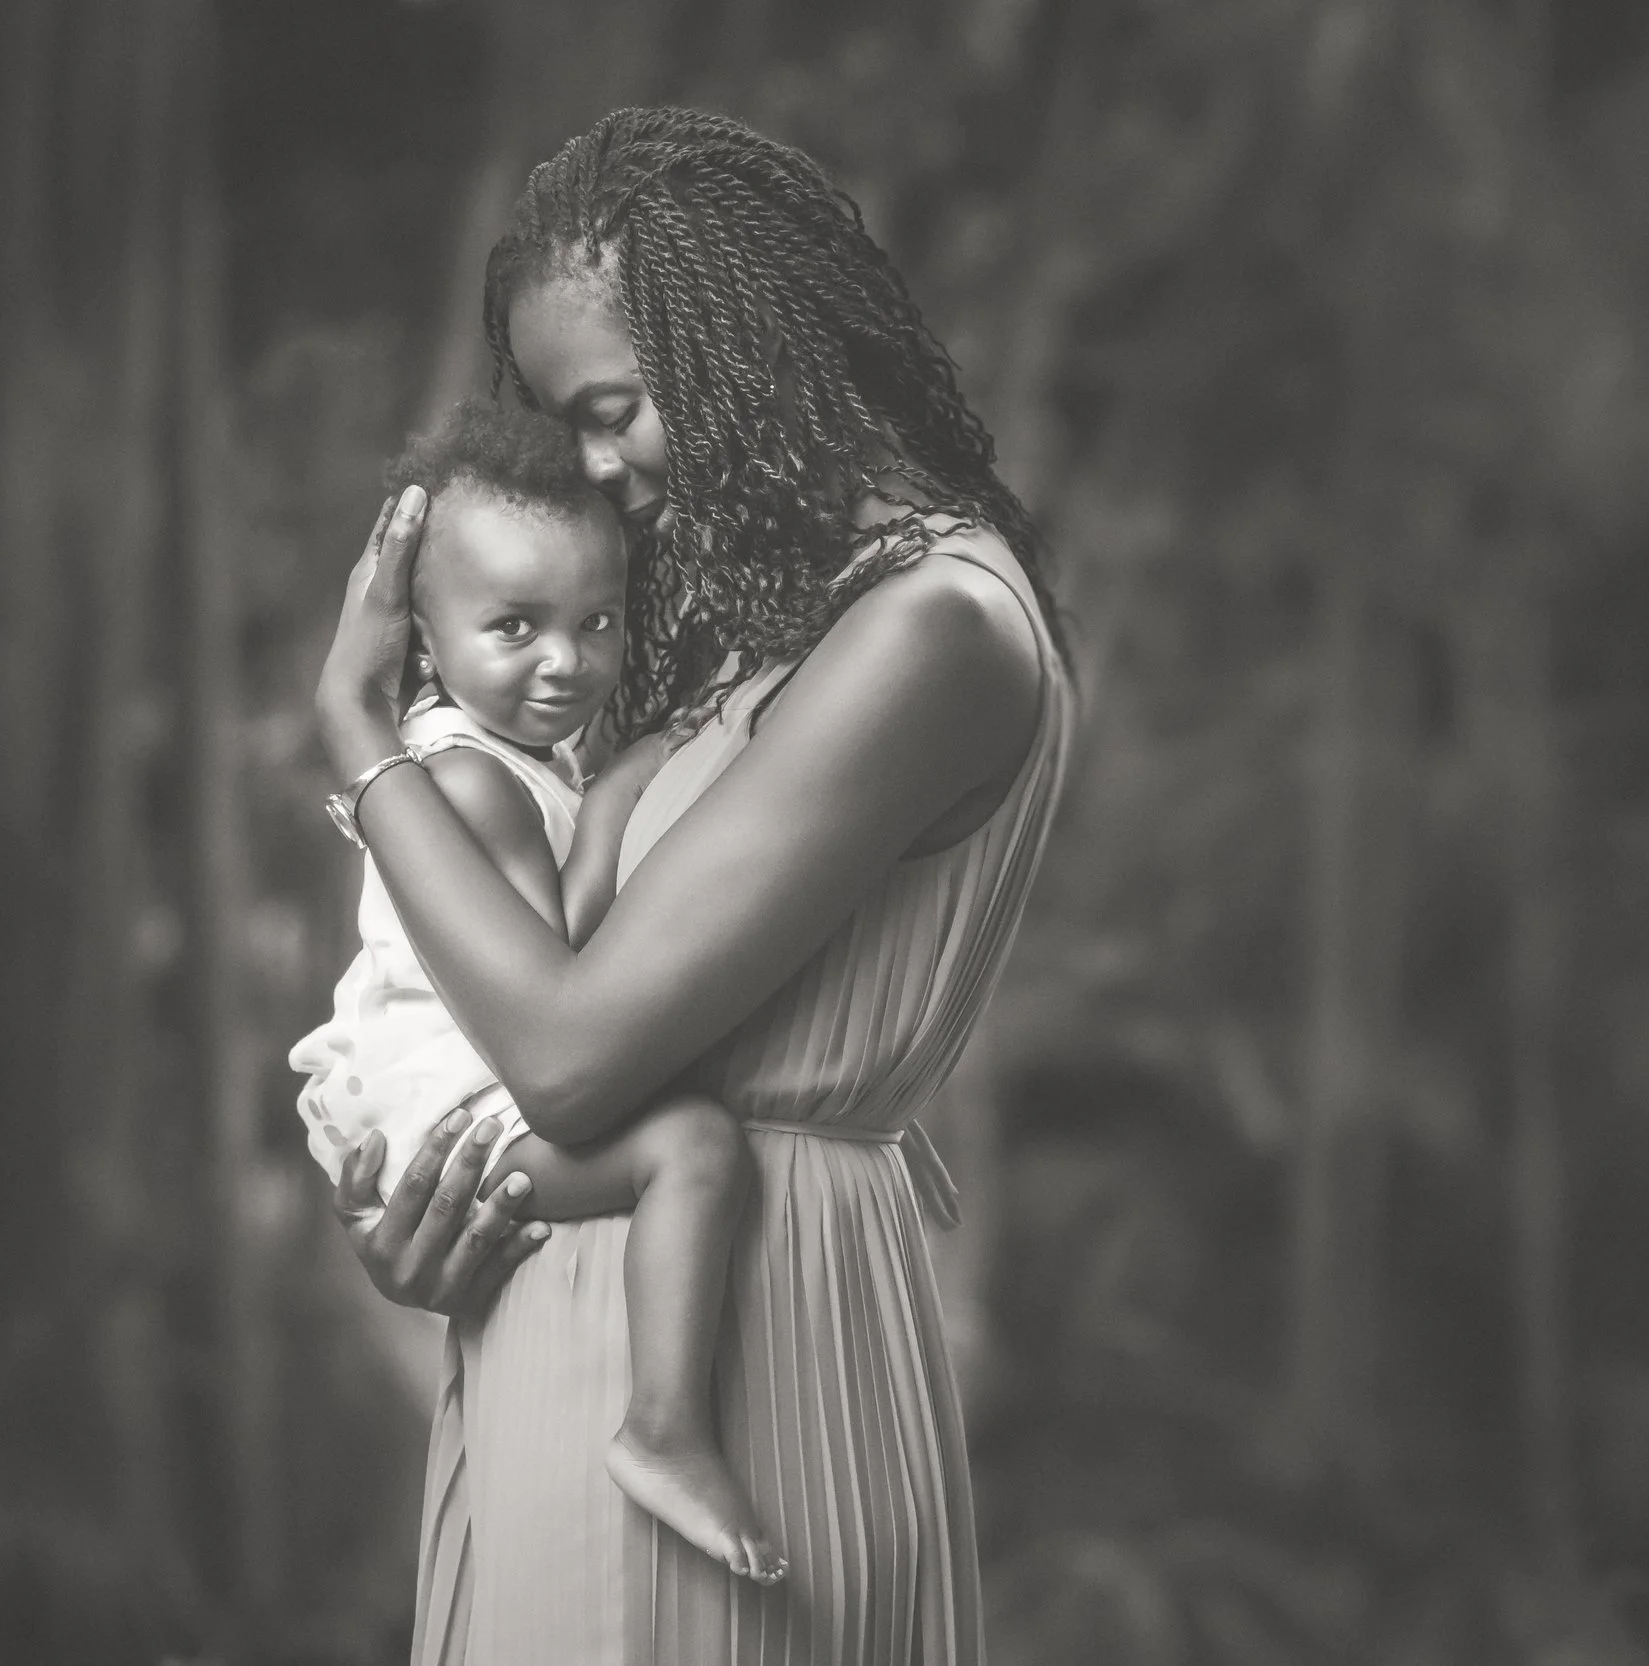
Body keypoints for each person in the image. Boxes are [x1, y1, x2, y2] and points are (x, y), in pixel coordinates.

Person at [313, 107, 1071, 1665]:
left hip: (739, 1347)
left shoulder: (932, 629)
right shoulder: (748, 636)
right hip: (576, 1309)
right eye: (557, 423)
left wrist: (354, 739)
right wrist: (437, 1196)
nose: (592, 469)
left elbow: (578, 1044)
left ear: (751, 346)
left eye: (617, 407)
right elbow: (523, 1013)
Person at [291, 398, 784, 1585]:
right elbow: (557, 977)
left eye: (595, 622)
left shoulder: (495, 755)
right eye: (515, 626)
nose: (566, 660)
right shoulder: (472, 781)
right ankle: (664, 1427)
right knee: (694, 1150)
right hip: (458, 1112)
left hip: (463, 1089)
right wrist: (620, 797)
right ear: (422, 634)